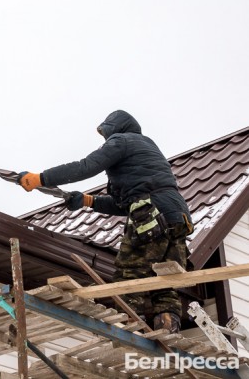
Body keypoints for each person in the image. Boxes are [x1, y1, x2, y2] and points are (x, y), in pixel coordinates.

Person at [17, 110, 194, 333]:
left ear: (114, 127)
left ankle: (131, 328)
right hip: (178, 216)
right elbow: (124, 204)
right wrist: (88, 201)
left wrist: (40, 178)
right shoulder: (147, 149)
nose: (105, 139)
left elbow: (85, 166)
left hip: (151, 212)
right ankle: (168, 326)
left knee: (129, 273)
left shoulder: (122, 140)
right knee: (163, 278)